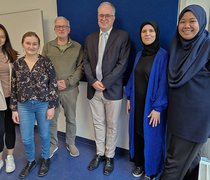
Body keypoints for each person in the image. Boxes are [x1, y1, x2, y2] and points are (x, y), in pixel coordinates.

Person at [160, 5, 210, 180]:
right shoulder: (177, 45)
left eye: (192, 21)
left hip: (194, 121)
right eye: (182, 21)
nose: (186, 26)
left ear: (202, 22)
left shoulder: (207, 46)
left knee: (172, 166)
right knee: (190, 165)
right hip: (176, 117)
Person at [84, 2, 131, 175]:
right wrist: (92, 80)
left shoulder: (123, 36)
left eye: (107, 15)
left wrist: (105, 83)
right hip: (93, 89)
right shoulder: (89, 38)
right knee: (98, 124)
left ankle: (109, 156)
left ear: (113, 18)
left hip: (112, 90)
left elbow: (123, 64)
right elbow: (86, 62)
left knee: (112, 125)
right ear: (97, 17)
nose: (104, 18)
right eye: (101, 15)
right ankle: (99, 154)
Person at [10, 32, 58, 178]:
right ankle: (31, 161)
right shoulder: (18, 64)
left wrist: (52, 106)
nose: (31, 46)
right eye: (28, 43)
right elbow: (14, 87)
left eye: (35, 43)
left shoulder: (46, 62)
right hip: (23, 105)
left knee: (44, 135)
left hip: (42, 104)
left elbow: (53, 84)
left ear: (39, 45)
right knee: (26, 138)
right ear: (23, 44)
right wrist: (13, 109)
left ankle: (45, 158)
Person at [125, 22, 168, 180]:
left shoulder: (163, 55)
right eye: (144, 31)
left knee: (153, 137)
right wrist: (129, 97)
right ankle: (140, 164)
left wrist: (158, 107)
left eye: (151, 31)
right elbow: (132, 77)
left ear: (156, 33)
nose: (147, 34)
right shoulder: (139, 54)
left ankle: (152, 170)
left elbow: (164, 83)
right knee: (139, 134)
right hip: (138, 104)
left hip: (152, 106)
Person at [42, 16, 83, 158]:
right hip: (52, 90)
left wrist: (68, 82)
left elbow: (80, 68)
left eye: (64, 26)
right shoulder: (47, 46)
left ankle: (70, 143)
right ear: (54, 29)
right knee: (51, 119)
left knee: (71, 118)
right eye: (58, 26)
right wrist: (53, 83)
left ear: (69, 29)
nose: (61, 29)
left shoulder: (77, 47)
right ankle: (53, 144)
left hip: (70, 90)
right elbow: (43, 67)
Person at [0, 24, 18, 173]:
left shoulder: (11, 54)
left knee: (10, 128)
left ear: (6, 38)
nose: (0, 39)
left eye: (2, 36)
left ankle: (10, 157)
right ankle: (0, 158)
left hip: (10, 98)